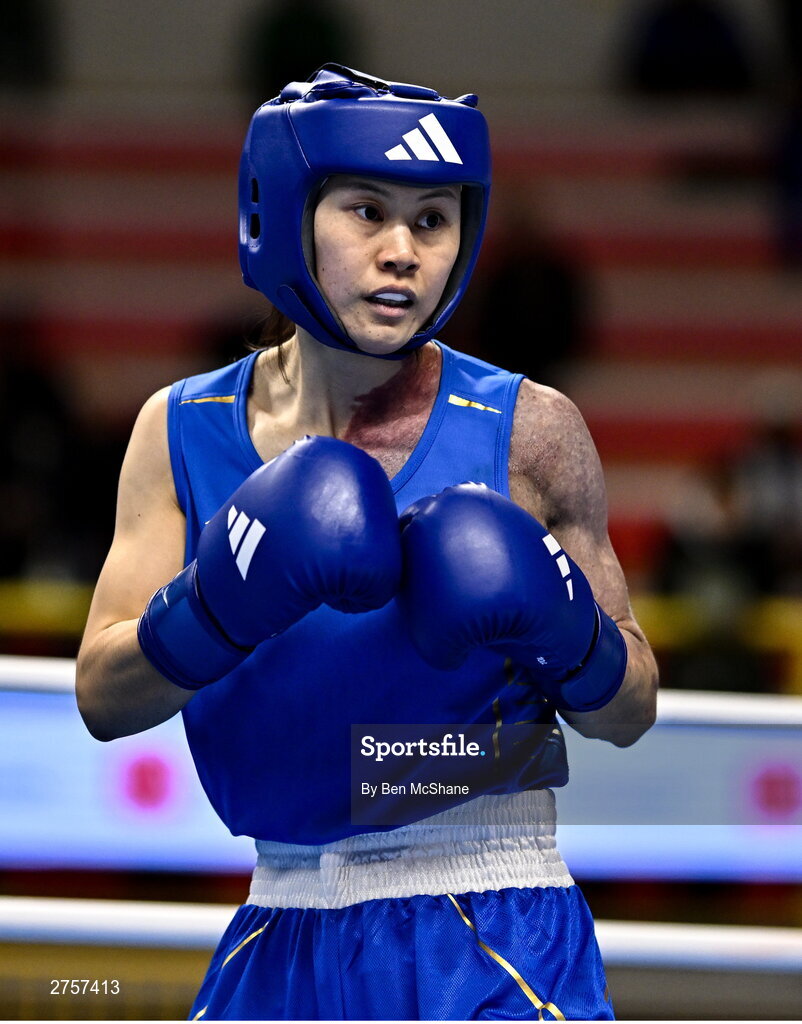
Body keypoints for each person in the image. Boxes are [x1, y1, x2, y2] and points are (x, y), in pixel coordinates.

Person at [76, 65, 658, 1021]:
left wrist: (565, 627)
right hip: (282, 915)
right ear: (285, 213)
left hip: (492, 917)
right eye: (366, 212)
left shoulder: (530, 431)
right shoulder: (179, 429)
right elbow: (103, 695)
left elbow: (629, 708)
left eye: (433, 219)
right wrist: (220, 604)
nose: (402, 252)